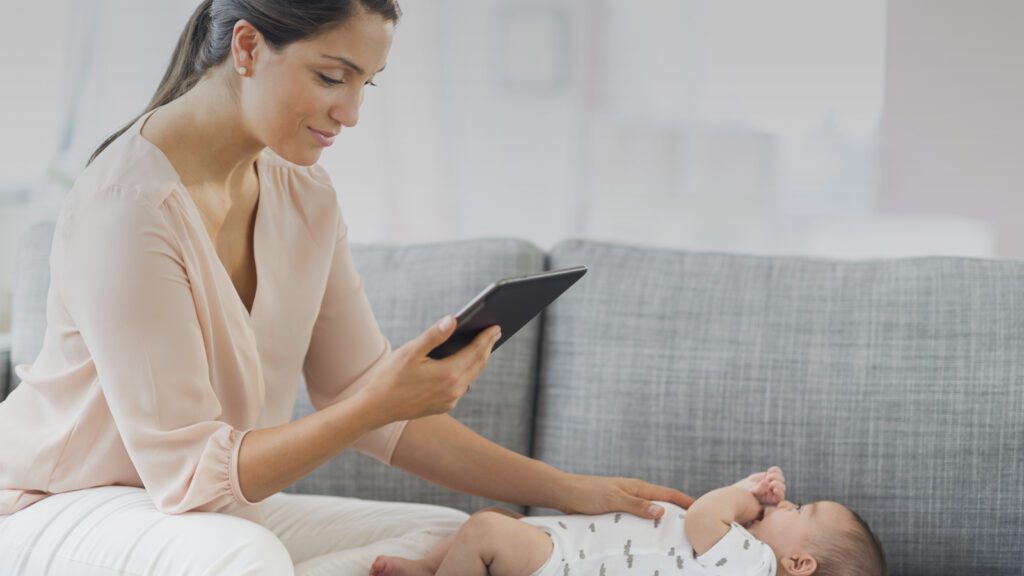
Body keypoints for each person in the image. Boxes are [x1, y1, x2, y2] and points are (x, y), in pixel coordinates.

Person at [0, 1, 693, 574]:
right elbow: (189, 475)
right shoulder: (127, 208)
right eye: (333, 76)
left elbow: (371, 403)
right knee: (243, 557)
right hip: (56, 503)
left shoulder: (305, 196)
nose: (351, 112)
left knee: (443, 543)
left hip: (193, 513)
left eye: (368, 82)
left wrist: (571, 490)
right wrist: (370, 407)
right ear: (246, 48)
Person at [369, 467, 888, 576]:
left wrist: (746, 492)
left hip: (566, 565)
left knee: (485, 530)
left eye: (803, 512)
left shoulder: (753, 567)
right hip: (564, 546)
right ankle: (429, 569)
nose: (788, 504)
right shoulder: (738, 554)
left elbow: (707, 514)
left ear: (798, 563)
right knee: (498, 521)